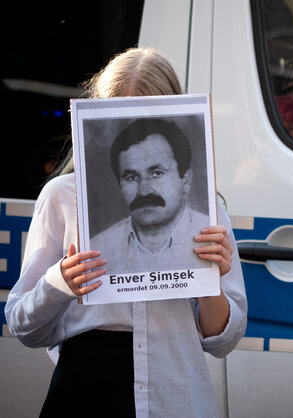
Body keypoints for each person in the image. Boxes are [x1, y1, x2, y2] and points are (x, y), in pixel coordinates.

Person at [4, 48, 247, 418]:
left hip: (175, 396)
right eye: (115, 123)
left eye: (158, 169)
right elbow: (23, 325)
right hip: (82, 394)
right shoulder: (61, 197)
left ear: (184, 174)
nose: (145, 186)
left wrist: (211, 280)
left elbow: (223, 341)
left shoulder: (209, 212)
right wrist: (61, 282)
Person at [92, 117, 210, 272]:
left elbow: (235, 297)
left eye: (156, 173)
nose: (144, 190)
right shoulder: (98, 251)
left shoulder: (212, 234)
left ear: (186, 180)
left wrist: (215, 282)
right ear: (120, 185)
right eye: (131, 177)